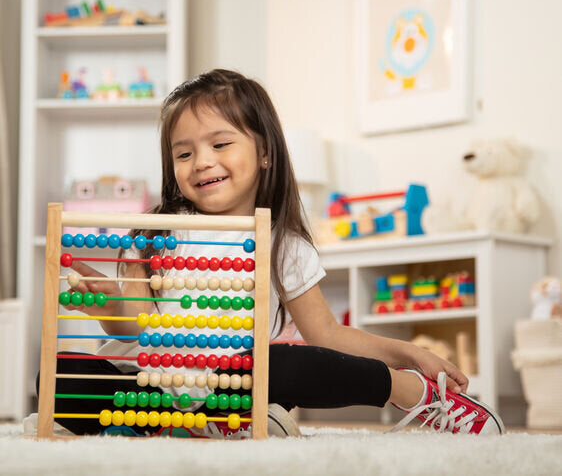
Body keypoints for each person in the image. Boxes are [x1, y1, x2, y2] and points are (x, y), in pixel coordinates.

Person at [46, 69, 504, 438]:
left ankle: (413, 392)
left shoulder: (283, 246)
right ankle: (201, 429)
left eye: (220, 144)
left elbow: (327, 334)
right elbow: (136, 325)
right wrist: (110, 305)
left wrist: (404, 352)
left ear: (264, 152)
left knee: (285, 362)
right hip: (149, 389)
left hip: (235, 384)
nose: (202, 161)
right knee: (61, 376)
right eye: (183, 154)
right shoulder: (153, 235)